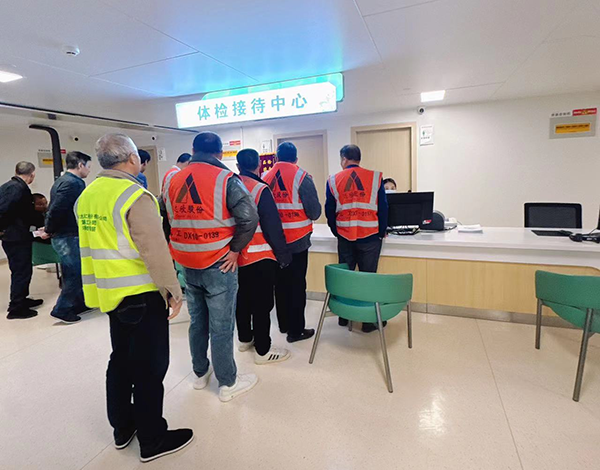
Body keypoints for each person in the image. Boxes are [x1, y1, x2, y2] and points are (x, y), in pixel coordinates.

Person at [77, 133, 192, 462]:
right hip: (141, 294)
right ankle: (152, 439)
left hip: (110, 294)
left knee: (121, 362)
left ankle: (122, 427)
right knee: (150, 369)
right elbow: (154, 250)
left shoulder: (88, 195)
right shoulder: (134, 195)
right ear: (131, 159)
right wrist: (173, 290)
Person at [165, 132, 260, 402]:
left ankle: (200, 373)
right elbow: (249, 217)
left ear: (193, 149)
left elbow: (169, 219)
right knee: (221, 326)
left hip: (187, 263)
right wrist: (235, 249)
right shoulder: (226, 179)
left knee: (197, 323)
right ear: (219, 153)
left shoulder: (173, 180)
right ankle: (227, 383)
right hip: (219, 263)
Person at [235, 149, 292, 364]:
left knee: (242, 300)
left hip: (235, 256)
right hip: (260, 256)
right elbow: (272, 227)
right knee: (262, 304)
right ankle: (263, 350)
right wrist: (283, 255)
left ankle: (244, 339)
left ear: (238, 166)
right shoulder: (260, 189)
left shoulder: (229, 185)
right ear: (258, 165)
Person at [326, 144, 389, 333]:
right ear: (359, 158)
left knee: (346, 277)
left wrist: (336, 230)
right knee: (367, 278)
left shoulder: (333, 180)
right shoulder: (375, 177)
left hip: (345, 236)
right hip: (370, 237)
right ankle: (368, 322)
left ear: (344, 159)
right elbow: (383, 207)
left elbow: (329, 210)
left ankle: (344, 317)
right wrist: (381, 231)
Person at [263, 142, 321, 343]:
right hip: (297, 242)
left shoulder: (265, 177)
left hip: (274, 243)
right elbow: (314, 212)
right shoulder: (302, 177)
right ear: (296, 158)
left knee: (279, 285)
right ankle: (295, 331)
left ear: (276, 157)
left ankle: (284, 324)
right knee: (296, 286)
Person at [45, 151, 93, 323]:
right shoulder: (73, 183)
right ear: (80, 165)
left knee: (72, 271)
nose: (89, 170)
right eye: (88, 167)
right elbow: (57, 209)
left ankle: (78, 303)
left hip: (65, 234)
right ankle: (62, 309)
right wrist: (49, 229)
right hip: (67, 235)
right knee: (74, 273)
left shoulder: (62, 181)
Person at [0, 162, 44, 319]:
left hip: (15, 236)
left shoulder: (10, 186)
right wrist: (4, 229)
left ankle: (22, 299)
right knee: (21, 272)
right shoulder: (17, 189)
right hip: (15, 238)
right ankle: (16, 308)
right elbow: (3, 211)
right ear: (32, 174)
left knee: (23, 270)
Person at [159, 153, 192, 241]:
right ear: (187, 162)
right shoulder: (175, 174)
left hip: (166, 210)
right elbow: (171, 197)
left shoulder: (170, 172)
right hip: (169, 212)